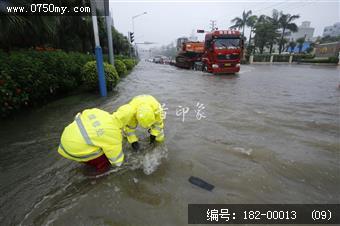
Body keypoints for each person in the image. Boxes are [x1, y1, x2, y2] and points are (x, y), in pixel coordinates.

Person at [57, 105, 134, 172]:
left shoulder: (98, 112)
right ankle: (95, 178)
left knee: (98, 141)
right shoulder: (114, 134)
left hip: (65, 139)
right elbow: (117, 162)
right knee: (105, 163)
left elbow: (78, 116)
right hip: (74, 150)